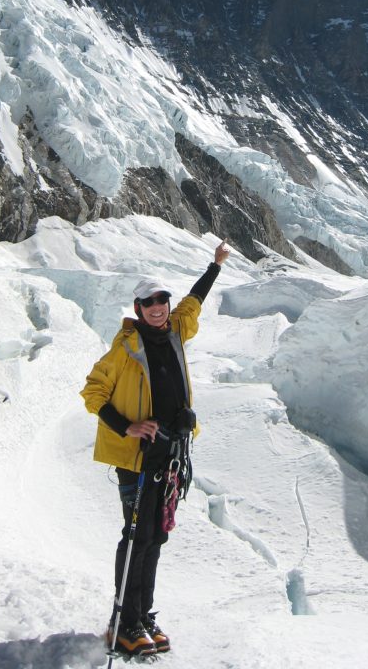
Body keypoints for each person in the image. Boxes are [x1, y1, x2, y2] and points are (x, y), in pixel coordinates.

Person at [81, 239, 230, 660]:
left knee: (157, 535)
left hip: (170, 455)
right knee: (137, 535)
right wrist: (126, 427)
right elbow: (93, 392)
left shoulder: (177, 331)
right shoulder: (125, 349)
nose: (159, 307)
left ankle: (142, 616)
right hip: (138, 458)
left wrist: (214, 266)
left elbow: (194, 302)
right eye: (150, 303)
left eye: (162, 300)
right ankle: (123, 621)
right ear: (138, 308)